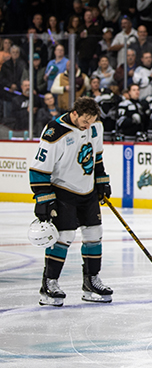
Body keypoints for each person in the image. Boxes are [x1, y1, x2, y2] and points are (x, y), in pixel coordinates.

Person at [29, 97, 112, 306]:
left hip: (88, 191)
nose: (88, 126)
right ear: (74, 113)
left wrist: (102, 181)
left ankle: (91, 281)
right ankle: (49, 284)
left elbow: (97, 157)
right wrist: (43, 199)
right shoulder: (55, 132)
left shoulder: (95, 127)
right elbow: (38, 169)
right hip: (63, 192)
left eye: (91, 121)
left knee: (94, 234)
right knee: (63, 236)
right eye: (85, 121)